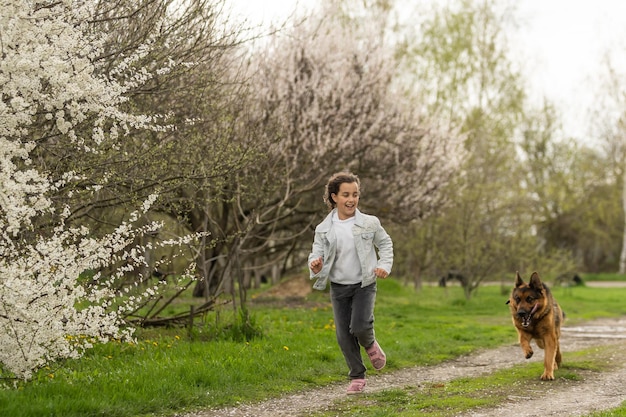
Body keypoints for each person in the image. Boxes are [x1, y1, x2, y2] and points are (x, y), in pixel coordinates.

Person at [308, 171, 394, 395]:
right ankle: (357, 376)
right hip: (338, 287)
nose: (351, 199)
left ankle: (371, 344)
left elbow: (385, 244)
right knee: (343, 335)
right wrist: (315, 264)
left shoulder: (369, 223)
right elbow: (316, 253)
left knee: (360, 326)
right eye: (346, 194)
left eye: (355, 194)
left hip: (364, 284)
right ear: (334, 197)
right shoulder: (324, 228)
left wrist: (384, 265)